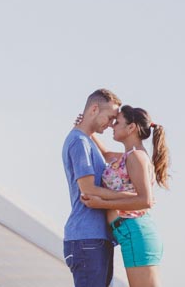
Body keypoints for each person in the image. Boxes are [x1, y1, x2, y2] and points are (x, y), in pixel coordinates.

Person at [81, 105, 171, 287]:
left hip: (136, 233)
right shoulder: (129, 156)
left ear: (131, 128)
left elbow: (145, 200)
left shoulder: (136, 157)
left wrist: (101, 203)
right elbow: (106, 154)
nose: (113, 125)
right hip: (131, 233)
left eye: (118, 122)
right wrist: (88, 130)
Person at [62, 88, 122, 287]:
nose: (112, 123)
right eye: (110, 117)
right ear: (94, 109)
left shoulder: (87, 142)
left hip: (96, 238)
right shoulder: (79, 143)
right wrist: (129, 197)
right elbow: (89, 190)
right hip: (86, 239)